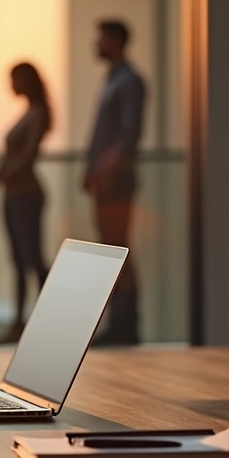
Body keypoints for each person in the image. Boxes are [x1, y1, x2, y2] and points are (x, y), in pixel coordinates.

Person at [0, 62, 53, 344]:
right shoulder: (29, 113)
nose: (11, 85)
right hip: (13, 195)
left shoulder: (37, 114)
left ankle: (45, 324)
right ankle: (20, 324)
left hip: (25, 195)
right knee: (19, 259)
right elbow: (11, 161)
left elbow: (23, 159)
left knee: (32, 258)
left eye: (14, 79)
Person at [83, 19, 147, 346]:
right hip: (107, 180)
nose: (96, 44)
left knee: (118, 246)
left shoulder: (129, 81)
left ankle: (126, 323)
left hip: (116, 181)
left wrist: (106, 169)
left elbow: (129, 133)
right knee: (112, 246)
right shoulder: (114, 80)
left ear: (115, 40)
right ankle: (119, 322)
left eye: (101, 39)